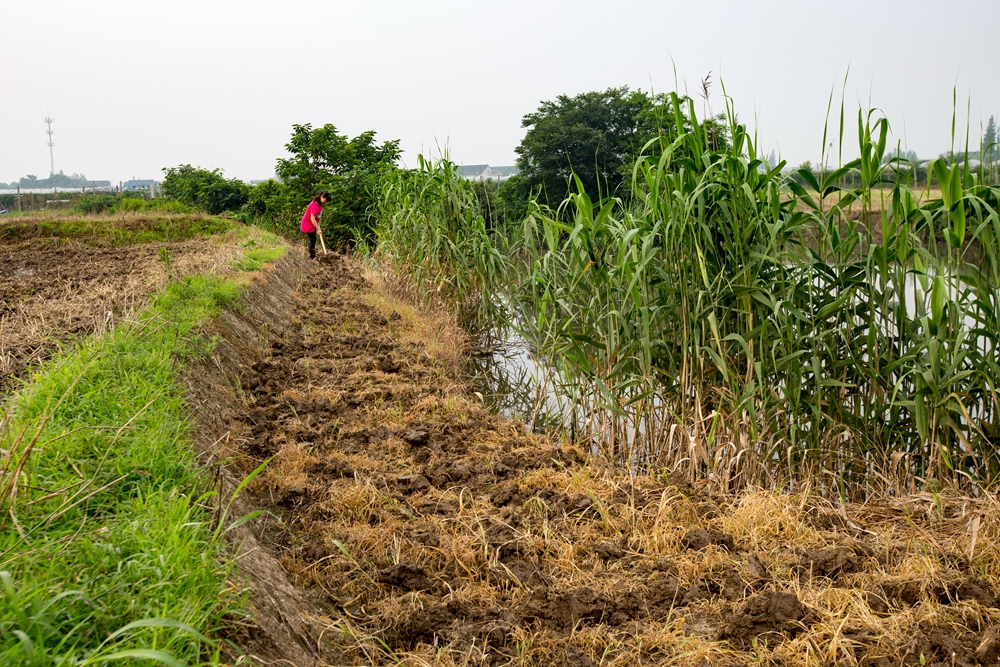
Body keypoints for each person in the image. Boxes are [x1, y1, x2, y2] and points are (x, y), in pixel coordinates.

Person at [301, 191, 330, 259]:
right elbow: (312, 219)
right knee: (313, 239)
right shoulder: (316, 205)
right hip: (308, 224)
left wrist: (318, 224)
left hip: (313, 224)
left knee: (313, 239)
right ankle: (312, 256)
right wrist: (318, 229)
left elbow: (317, 216)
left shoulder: (320, 202)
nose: (325, 203)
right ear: (321, 197)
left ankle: (311, 252)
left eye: (326, 202)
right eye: (325, 201)